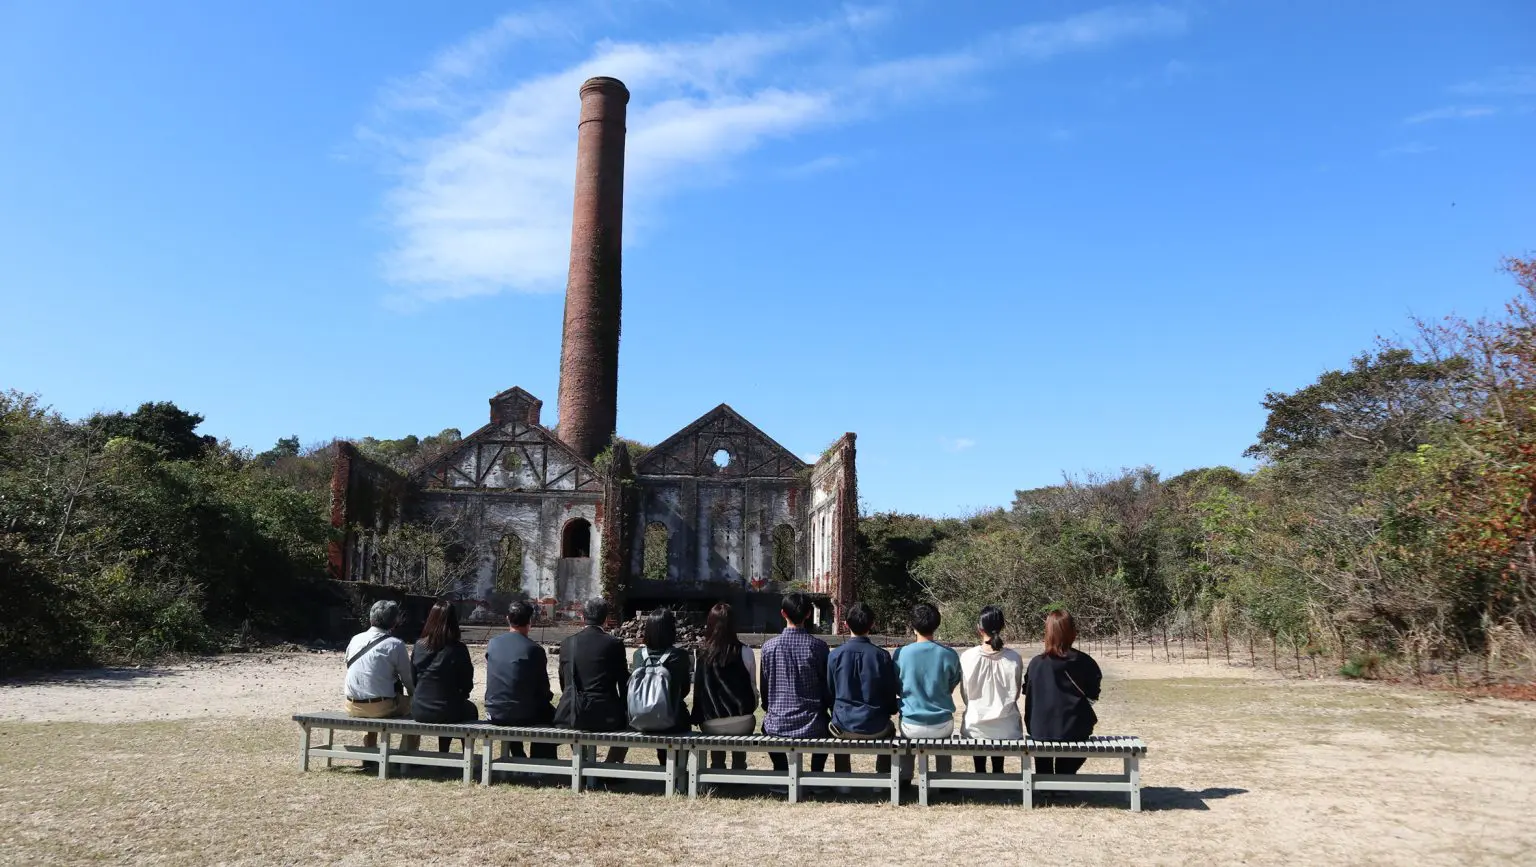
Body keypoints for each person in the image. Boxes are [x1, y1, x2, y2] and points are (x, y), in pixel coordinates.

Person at [759, 592, 832, 774]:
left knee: (765, 727)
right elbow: (827, 686)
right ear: (808, 614)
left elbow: (766, 689)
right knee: (827, 726)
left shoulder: (769, 647)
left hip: (778, 722)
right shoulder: (819, 647)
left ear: (783, 613)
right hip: (813, 722)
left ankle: (781, 770)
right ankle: (817, 773)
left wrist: (771, 708)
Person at [1024, 609, 1103, 777]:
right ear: (1072, 632)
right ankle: (1064, 776)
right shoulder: (1085, 661)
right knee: (1074, 740)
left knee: (1042, 746)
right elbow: (1093, 695)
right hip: (1074, 728)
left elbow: (1028, 693)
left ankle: (1045, 782)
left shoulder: (1036, 663)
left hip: (1040, 728)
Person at [553, 598, 630, 763]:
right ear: (606, 619)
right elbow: (624, 682)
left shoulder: (568, 644)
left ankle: (582, 761)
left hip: (574, 713)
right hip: (608, 713)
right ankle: (610, 767)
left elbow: (565, 683)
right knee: (628, 727)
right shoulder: (614, 644)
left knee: (573, 720)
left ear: (582, 617)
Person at [827, 602, 899, 774]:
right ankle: (883, 777)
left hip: (843, 724)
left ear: (845, 625)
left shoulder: (835, 655)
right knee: (890, 730)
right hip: (876, 725)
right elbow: (889, 692)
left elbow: (830, 691)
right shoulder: (881, 656)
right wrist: (890, 709)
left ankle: (843, 780)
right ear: (872, 624)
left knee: (838, 735)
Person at [893, 602, 962, 778]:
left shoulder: (901, 653)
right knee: (944, 740)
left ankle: (905, 776)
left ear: (913, 626)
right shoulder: (949, 654)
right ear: (936, 624)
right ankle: (944, 776)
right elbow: (952, 684)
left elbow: (896, 684)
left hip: (910, 723)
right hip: (942, 723)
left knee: (906, 739)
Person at [484, 600, 556, 760]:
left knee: (515, 703)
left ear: (507, 618)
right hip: (522, 713)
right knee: (547, 713)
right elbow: (543, 689)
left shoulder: (493, 644)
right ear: (530, 622)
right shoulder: (534, 649)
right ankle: (541, 760)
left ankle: (518, 753)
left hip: (494, 710)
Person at [691, 602, 757, 771]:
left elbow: (698, 689)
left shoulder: (701, 654)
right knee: (742, 730)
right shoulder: (746, 652)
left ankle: (717, 766)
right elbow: (752, 688)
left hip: (711, 720)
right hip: (742, 719)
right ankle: (739, 766)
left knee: (715, 734)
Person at [343, 599, 415, 753]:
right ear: (394, 622)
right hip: (380, 707)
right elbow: (408, 679)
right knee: (415, 706)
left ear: (371, 618)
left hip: (351, 705)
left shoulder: (355, 639)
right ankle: (406, 755)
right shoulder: (395, 644)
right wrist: (414, 695)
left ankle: (369, 750)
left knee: (373, 693)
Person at [959, 605, 1024, 774]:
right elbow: (1015, 694)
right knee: (998, 728)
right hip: (1006, 726)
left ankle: (979, 772)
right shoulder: (1013, 658)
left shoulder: (967, 657)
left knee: (980, 730)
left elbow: (965, 694)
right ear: (1002, 627)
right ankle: (998, 771)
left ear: (979, 629)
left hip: (976, 725)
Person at [411, 599, 479, 754]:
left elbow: (413, 678)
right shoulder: (458, 649)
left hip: (420, 708)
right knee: (469, 709)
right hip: (448, 707)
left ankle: (444, 753)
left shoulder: (419, 646)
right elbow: (467, 682)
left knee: (451, 707)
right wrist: (462, 693)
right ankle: (466, 754)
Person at [628, 608, 692, 765]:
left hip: (639, 719)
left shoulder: (638, 655)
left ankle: (665, 764)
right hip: (673, 721)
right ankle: (677, 768)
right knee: (677, 713)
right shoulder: (680, 656)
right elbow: (684, 690)